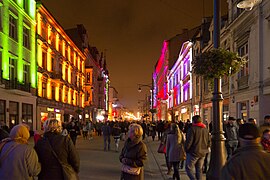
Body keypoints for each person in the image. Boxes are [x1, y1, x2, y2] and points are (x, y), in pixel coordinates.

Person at [185, 115, 211, 180]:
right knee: (199, 169)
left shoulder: (192, 129)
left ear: (193, 121)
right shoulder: (205, 129)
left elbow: (189, 142)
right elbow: (209, 141)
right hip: (203, 153)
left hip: (194, 152)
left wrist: (186, 149)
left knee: (188, 168)